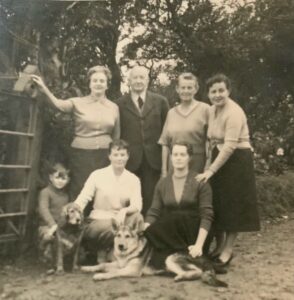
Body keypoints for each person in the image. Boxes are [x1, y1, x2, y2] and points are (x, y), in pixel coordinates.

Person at [196, 74, 260, 268]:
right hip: (219, 157)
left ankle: (228, 250)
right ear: (208, 94)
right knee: (218, 204)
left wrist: (211, 171)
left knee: (233, 207)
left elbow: (230, 146)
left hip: (237, 161)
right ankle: (219, 246)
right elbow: (212, 142)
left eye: (221, 91)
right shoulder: (212, 110)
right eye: (213, 91)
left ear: (228, 91)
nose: (217, 95)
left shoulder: (234, 112)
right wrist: (208, 167)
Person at [32, 66, 120, 203]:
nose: (98, 83)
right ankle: (76, 222)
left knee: (102, 190)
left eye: (102, 81)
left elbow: (116, 137)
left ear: (107, 85)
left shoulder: (114, 107)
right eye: (95, 80)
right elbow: (59, 105)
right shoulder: (78, 102)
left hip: (104, 156)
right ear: (90, 83)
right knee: (80, 188)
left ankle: (96, 222)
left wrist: (114, 157)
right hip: (81, 155)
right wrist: (44, 89)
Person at [144, 143, 213, 268]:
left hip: (193, 232)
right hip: (172, 234)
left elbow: (206, 215)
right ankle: (178, 255)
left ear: (189, 157)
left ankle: (192, 253)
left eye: (183, 154)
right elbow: (154, 211)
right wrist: (145, 229)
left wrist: (199, 245)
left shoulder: (200, 181)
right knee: (151, 232)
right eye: (175, 154)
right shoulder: (163, 183)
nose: (178, 158)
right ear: (170, 157)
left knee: (177, 217)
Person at [73, 139, 142, 263]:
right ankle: (98, 251)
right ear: (109, 156)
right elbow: (83, 198)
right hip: (98, 221)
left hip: (120, 220)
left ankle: (128, 255)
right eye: (115, 155)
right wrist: (73, 213)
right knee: (111, 226)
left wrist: (125, 210)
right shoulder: (97, 175)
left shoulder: (133, 179)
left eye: (122, 155)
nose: (119, 159)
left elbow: (137, 204)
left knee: (138, 218)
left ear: (128, 156)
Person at [117, 66, 169, 216]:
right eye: (135, 77)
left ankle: (149, 232)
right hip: (129, 160)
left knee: (151, 198)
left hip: (153, 160)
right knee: (129, 199)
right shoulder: (119, 104)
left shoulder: (161, 102)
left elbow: (167, 131)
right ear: (129, 81)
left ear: (147, 80)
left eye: (142, 77)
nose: (138, 81)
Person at [159, 72, 210, 176]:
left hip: (197, 165)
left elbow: (210, 143)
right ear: (177, 89)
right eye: (183, 88)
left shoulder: (205, 109)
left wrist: (207, 168)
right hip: (174, 166)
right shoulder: (171, 113)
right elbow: (165, 144)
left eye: (189, 88)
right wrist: (164, 171)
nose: (186, 91)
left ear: (196, 89)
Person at [38, 162, 70, 263]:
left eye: (63, 178)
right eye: (57, 178)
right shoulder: (46, 192)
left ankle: (56, 255)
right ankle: (42, 249)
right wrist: (52, 225)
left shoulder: (66, 196)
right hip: (47, 226)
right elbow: (44, 209)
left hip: (61, 227)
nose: (60, 181)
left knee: (68, 240)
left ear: (68, 180)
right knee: (50, 235)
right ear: (51, 177)